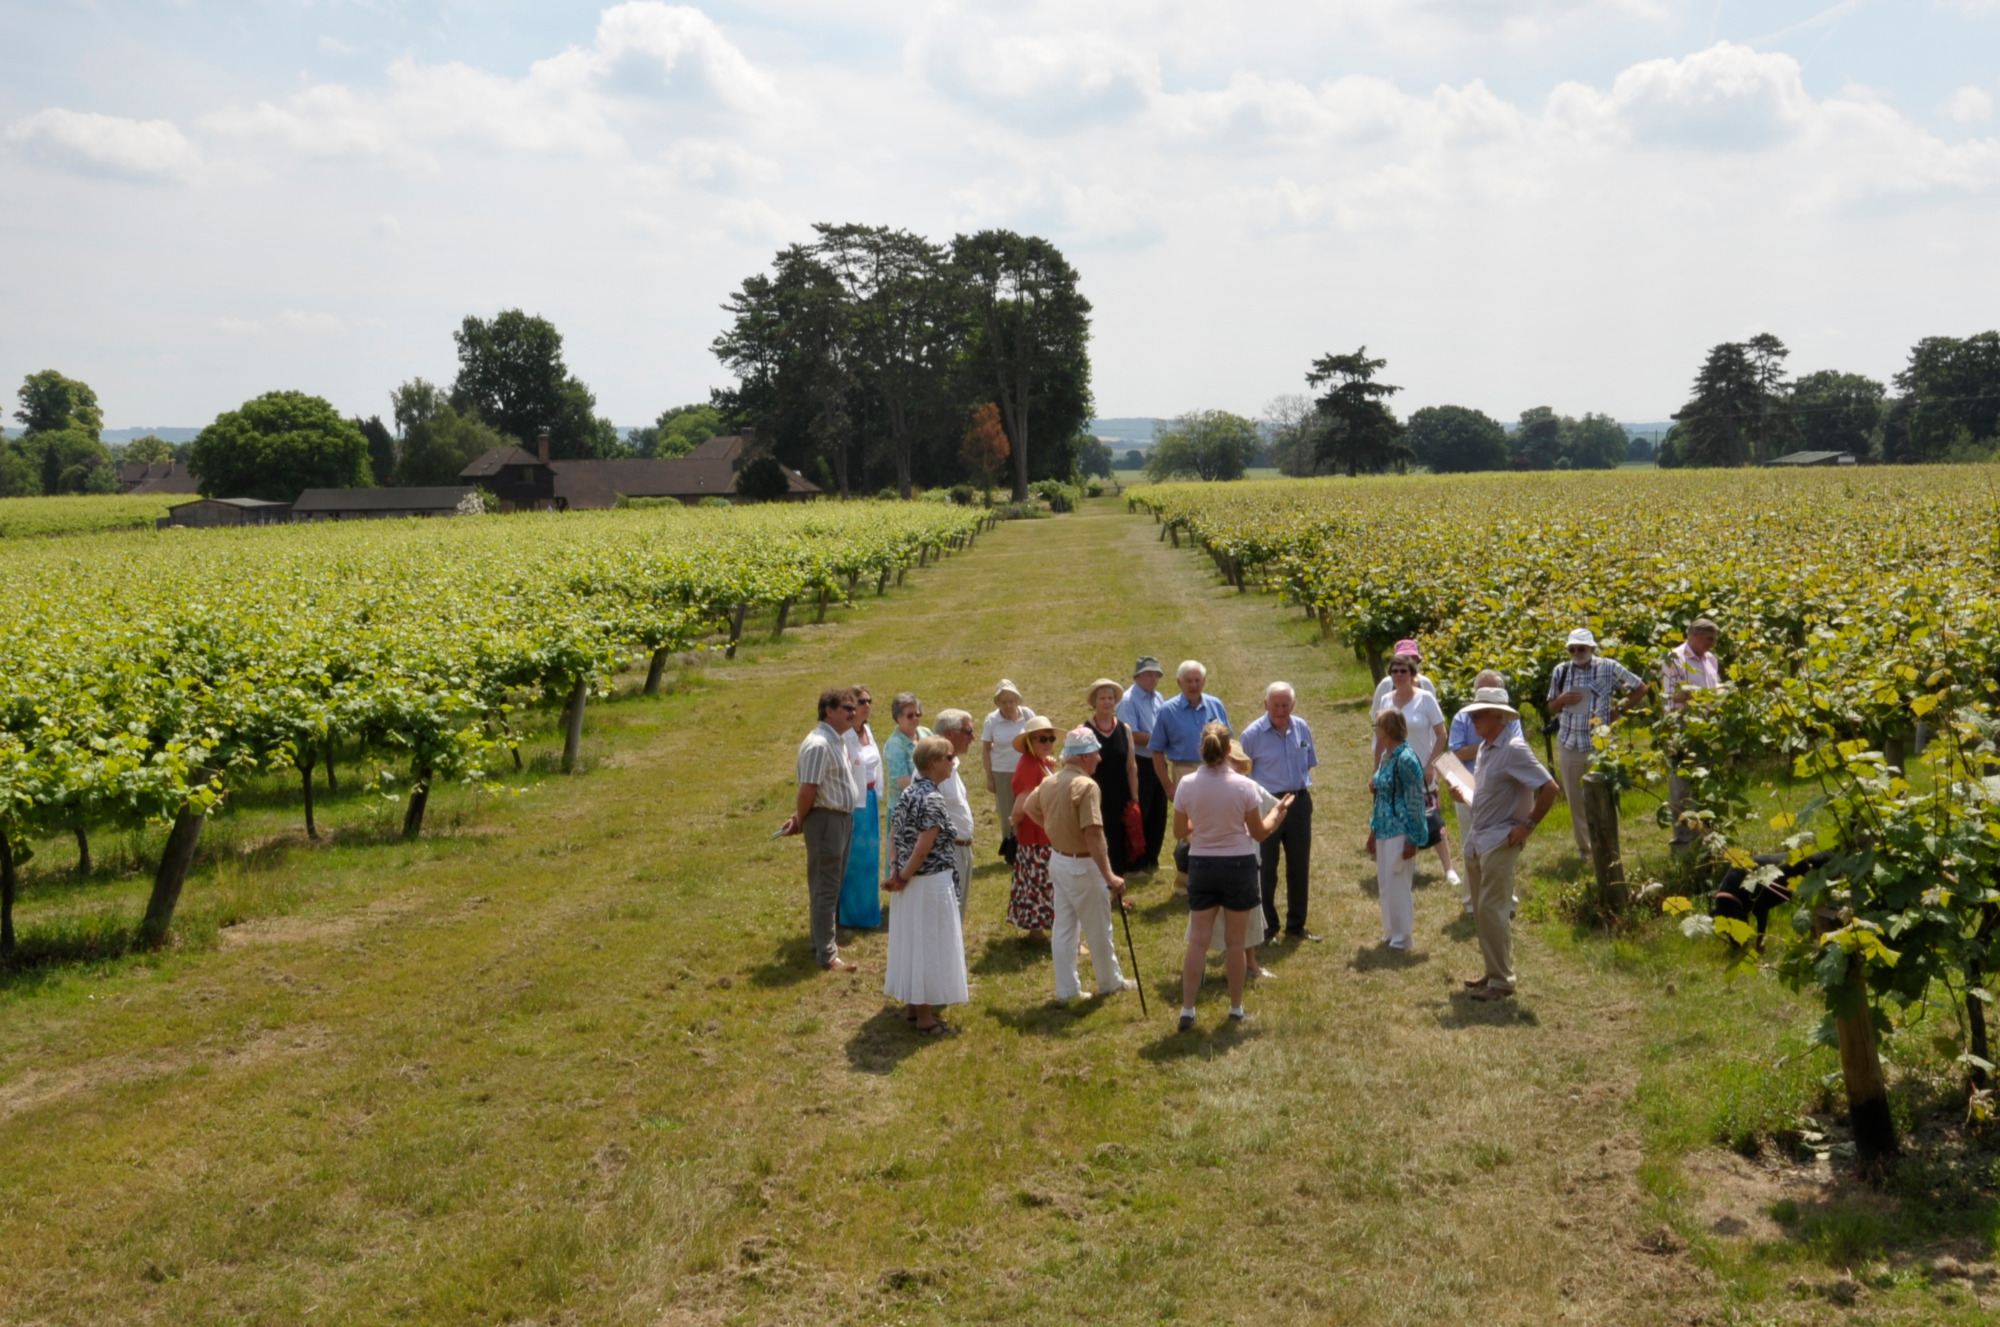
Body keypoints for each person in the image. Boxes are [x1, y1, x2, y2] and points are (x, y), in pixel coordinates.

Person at [1173, 721, 1294, 1031]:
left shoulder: (1186, 784)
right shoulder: (1243, 786)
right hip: (1238, 865)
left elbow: (1179, 832)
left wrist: (1203, 827)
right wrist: (1277, 813)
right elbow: (1260, 832)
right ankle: (1236, 1008)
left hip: (1201, 864)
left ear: (1202, 748)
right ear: (1229, 751)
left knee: (1197, 941)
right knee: (1236, 943)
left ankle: (1188, 1009)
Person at [1452, 686, 1559, 1001]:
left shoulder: (1514, 748)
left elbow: (1549, 788)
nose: (1473, 720)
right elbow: (1490, 795)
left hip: (1500, 838)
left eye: (1478, 714)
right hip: (1479, 838)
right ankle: (1493, 971)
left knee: (1492, 908)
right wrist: (1465, 795)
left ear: (1496, 716)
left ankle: (1502, 982)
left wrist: (1527, 826)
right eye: (1473, 713)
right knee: (1482, 911)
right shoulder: (1486, 747)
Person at [1014, 726, 1130, 1003]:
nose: (1099, 759)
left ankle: (1067, 990)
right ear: (1085, 756)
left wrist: (1054, 829)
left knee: (1064, 928)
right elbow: (1093, 833)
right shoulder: (1086, 786)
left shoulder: (1051, 781)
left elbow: (1030, 808)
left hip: (1059, 860)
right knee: (1099, 927)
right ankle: (1109, 982)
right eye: (1096, 754)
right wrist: (1110, 875)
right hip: (1083, 865)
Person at [884, 736, 971, 1033]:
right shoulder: (932, 799)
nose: (952, 761)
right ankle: (925, 1017)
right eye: (948, 757)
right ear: (934, 763)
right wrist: (905, 875)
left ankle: (913, 1007)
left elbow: (894, 834)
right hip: (929, 883)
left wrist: (897, 872)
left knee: (913, 941)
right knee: (929, 944)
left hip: (910, 884)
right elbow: (923, 846)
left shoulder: (909, 793)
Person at [778, 687, 863, 972]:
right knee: (826, 887)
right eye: (847, 709)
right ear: (828, 710)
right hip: (826, 820)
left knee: (832, 884)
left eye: (854, 708)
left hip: (841, 819)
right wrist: (800, 819)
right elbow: (808, 789)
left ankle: (821, 943)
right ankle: (826, 954)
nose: (853, 713)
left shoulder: (836, 740)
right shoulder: (818, 744)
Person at [1547, 628, 1648, 859]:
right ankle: (1586, 850)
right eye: (1572, 649)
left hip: (1599, 744)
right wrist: (1561, 701)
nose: (1576, 653)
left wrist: (1619, 710)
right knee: (1575, 800)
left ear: (1592, 648)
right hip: (1569, 742)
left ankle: (1608, 845)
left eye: (1581, 648)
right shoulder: (1561, 671)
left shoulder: (1608, 667)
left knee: (1603, 796)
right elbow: (1551, 706)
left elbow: (1639, 687)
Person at [1187, 739, 1276, 981]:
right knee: (1206, 925)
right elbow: (1185, 825)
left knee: (1244, 921)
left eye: (1238, 763)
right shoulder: (1201, 785)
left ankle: (1250, 964)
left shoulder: (1248, 787)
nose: (1234, 766)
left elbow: (1270, 808)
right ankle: (1200, 970)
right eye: (1231, 761)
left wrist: (1279, 811)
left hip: (1241, 862)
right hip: (1221, 863)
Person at [1239, 681, 1319, 942]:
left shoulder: (1302, 727)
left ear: (1293, 705)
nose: (1281, 710)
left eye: (1286, 705)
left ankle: (1296, 926)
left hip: (1298, 802)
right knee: (1266, 867)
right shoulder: (1251, 735)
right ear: (1266, 705)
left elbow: (1309, 763)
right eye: (1276, 705)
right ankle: (1267, 926)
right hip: (1267, 804)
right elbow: (1242, 773)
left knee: (1299, 865)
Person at [1374, 656, 1457, 892]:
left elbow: (1441, 734)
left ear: (1412, 675)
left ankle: (1448, 868)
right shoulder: (1386, 699)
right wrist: (1376, 769)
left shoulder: (1426, 699)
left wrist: (1431, 765)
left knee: (1431, 816)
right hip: (1393, 768)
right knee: (1398, 816)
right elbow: (1380, 737)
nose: (1399, 675)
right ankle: (1405, 867)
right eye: (1395, 671)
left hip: (1420, 766)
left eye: (1403, 671)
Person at [1151, 660, 1231, 891]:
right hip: (1185, 770)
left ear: (1204, 681)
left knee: (1217, 821)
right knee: (1188, 829)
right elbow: (1156, 751)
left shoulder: (1216, 705)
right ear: (1179, 682)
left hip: (1217, 768)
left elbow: (1230, 742)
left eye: (1198, 680)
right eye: (1189, 681)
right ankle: (1185, 882)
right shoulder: (1167, 711)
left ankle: (1215, 876)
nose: (1194, 685)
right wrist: (1167, 785)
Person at [1448, 669, 1520, 915]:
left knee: (1500, 847)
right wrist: (1490, 741)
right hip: (1467, 786)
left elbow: (1515, 747)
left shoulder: (1512, 719)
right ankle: (1471, 902)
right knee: (1471, 844)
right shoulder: (1461, 717)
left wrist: (1491, 742)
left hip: (1500, 791)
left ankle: (1504, 901)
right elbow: (1454, 754)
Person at [1366, 708, 1430, 950]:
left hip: (1400, 829)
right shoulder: (1387, 756)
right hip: (1383, 827)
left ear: (1388, 729)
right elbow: (1382, 796)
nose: (1376, 731)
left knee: (1398, 882)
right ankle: (1390, 931)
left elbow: (1415, 799)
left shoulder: (1406, 758)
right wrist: (1373, 830)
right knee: (1385, 883)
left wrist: (1413, 838)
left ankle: (1403, 937)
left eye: (1378, 726)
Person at [1661, 618, 1723, 852]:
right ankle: (1683, 842)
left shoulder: (1711, 659)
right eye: (1710, 639)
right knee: (1681, 785)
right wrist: (1703, 697)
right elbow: (1671, 696)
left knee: (1707, 781)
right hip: (1681, 726)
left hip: (1708, 727)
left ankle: (1707, 837)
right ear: (1695, 635)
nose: (1713, 644)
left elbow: (1716, 688)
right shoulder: (1674, 658)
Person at [1005, 716, 1061, 942]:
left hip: (1041, 834)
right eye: (1041, 739)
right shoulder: (1029, 766)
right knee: (1042, 885)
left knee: (1038, 884)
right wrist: (1015, 823)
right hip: (1036, 836)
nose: (1047, 743)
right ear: (1029, 741)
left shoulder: (1042, 762)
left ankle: (1037, 932)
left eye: (1050, 738)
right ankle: (1042, 931)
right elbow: (1021, 806)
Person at [837, 686, 885, 931]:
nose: (867, 705)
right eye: (861, 701)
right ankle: (849, 915)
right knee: (854, 860)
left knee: (870, 858)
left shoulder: (868, 730)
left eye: (869, 700)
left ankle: (868, 912)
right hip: (854, 803)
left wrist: (878, 791)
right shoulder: (845, 736)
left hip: (870, 800)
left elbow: (876, 764)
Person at [1083, 678, 1141, 877]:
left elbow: (1131, 766)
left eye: (1110, 698)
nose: (1107, 702)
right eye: (1102, 698)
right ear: (1094, 702)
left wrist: (1135, 798)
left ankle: (1117, 881)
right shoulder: (1084, 731)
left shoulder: (1124, 729)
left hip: (1121, 794)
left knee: (1119, 838)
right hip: (1095, 795)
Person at [1117, 656, 1170, 870]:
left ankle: (1152, 859)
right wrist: (1161, 738)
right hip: (1139, 761)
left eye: (1156, 674)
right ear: (1137, 676)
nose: (1152, 678)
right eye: (1148, 674)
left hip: (1158, 759)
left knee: (1159, 811)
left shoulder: (1159, 697)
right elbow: (1130, 734)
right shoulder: (1128, 700)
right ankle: (1135, 862)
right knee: (1141, 812)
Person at [981, 680, 1037, 862]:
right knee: (1007, 811)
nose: (1008, 705)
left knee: (1029, 807)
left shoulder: (1027, 714)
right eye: (1004, 701)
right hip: (1002, 771)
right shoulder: (992, 720)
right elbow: (986, 748)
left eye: (1011, 701)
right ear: (998, 703)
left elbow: (1038, 736)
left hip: (1026, 769)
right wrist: (989, 777)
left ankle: (1029, 845)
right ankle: (1011, 849)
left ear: (1017, 700)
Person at [931, 709, 978, 915]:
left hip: (963, 849)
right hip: (948, 851)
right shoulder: (933, 769)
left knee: (958, 912)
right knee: (948, 914)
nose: (973, 737)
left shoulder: (953, 765)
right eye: (968, 731)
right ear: (950, 734)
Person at [882, 692, 931, 800]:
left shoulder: (926, 733)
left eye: (917, 714)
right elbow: (905, 784)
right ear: (898, 718)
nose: (915, 718)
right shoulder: (894, 746)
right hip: (907, 808)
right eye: (910, 715)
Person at [1370, 639, 1437, 707]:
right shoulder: (1385, 684)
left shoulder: (1425, 683)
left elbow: (1434, 713)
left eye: (1412, 658)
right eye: (1403, 657)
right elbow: (1376, 713)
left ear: (1417, 660)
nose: (1408, 661)